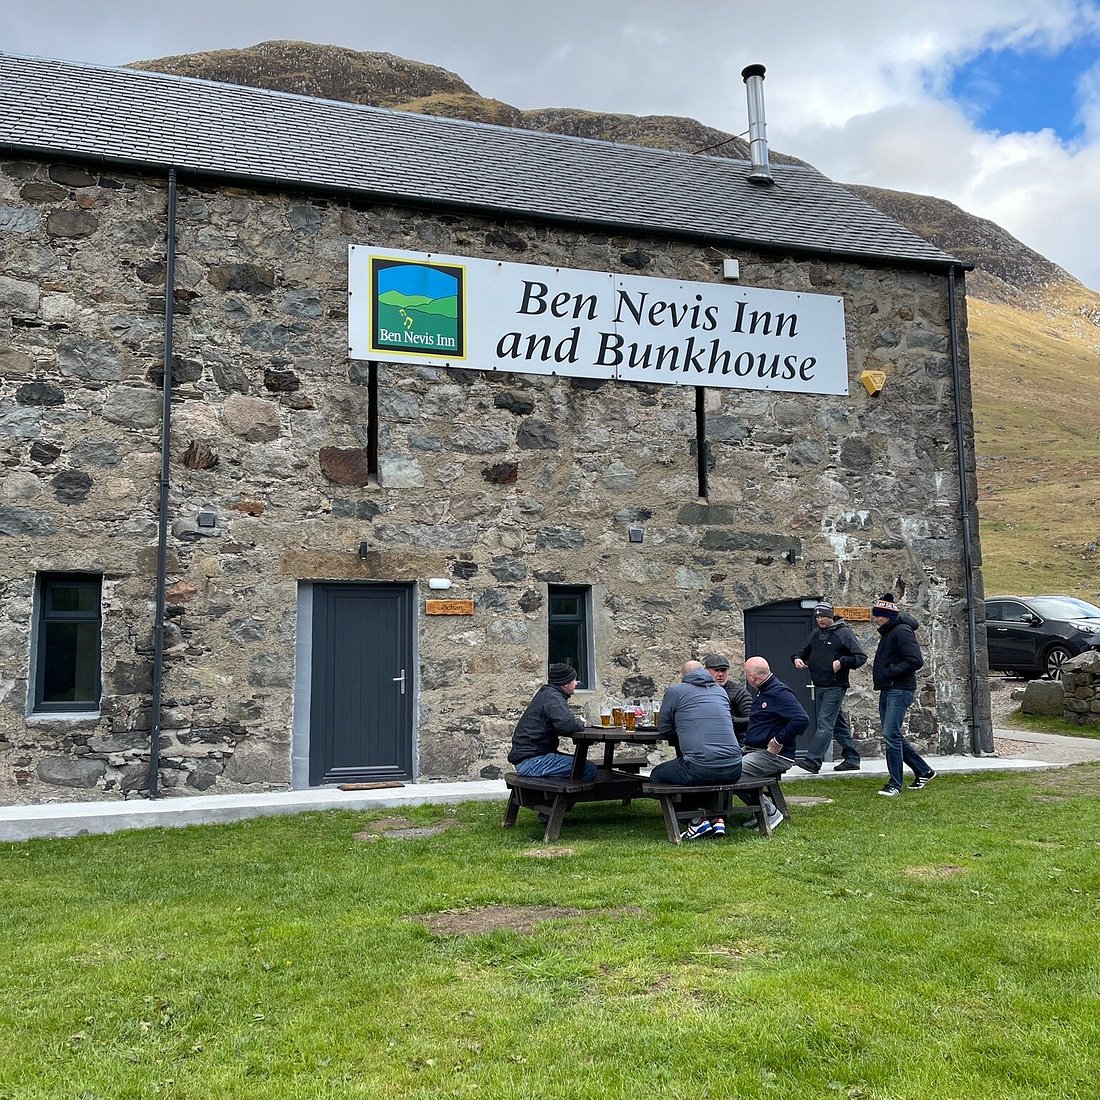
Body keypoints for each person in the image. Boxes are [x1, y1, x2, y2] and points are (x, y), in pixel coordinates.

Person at [653, 660, 743, 840]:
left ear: (683, 676)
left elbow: (663, 728)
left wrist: (682, 729)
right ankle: (716, 817)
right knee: (697, 771)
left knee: (657, 776)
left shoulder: (676, 691)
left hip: (700, 766)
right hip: (735, 767)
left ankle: (695, 821)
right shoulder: (720, 691)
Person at [871, 594, 936, 796]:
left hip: (899, 689)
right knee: (893, 734)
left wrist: (890, 671)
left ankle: (895, 784)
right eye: (876, 615)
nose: (877, 619)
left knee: (891, 735)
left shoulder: (902, 631)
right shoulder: (890, 632)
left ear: (889, 616)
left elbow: (915, 660)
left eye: (880, 615)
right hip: (888, 688)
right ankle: (923, 770)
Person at [791, 603, 867, 773]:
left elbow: (860, 657)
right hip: (819, 685)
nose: (820, 620)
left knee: (825, 723)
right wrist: (797, 658)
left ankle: (813, 760)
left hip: (834, 686)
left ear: (831, 616)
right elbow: (804, 651)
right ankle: (852, 759)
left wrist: (842, 662)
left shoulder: (844, 633)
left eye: (823, 617)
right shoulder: (817, 633)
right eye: (817, 617)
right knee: (838, 723)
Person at [738, 656, 810, 830]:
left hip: (773, 755)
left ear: (753, 678)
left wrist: (779, 739)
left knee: (732, 771)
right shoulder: (765, 690)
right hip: (754, 750)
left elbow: (801, 719)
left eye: (746, 674)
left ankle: (770, 812)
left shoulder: (778, 692)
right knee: (718, 766)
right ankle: (760, 811)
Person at [507, 663, 597, 781]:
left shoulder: (548, 694)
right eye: (574, 680)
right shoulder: (553, 698)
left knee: (579, 764)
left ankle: (554, 797)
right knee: (588, 768)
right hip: (533, 761)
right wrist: (580, 722)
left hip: (529, 758)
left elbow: (562, 724)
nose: (576, 683)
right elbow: (567, 726)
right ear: (565, 683)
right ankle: (565, 798)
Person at [702, 653, 753, 742]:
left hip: (734, 741)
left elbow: (751, 720)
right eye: (716, 670)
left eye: (723, 670)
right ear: (706, 671)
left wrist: (727, 719)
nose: (720, 674)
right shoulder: (700, 691)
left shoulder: (739, 692)